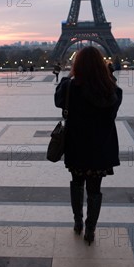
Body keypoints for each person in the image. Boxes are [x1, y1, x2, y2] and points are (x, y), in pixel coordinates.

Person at [55, 46, 123, 245]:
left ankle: (78, 222)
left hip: (77, 146)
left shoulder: (69, 87)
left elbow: (58, 100)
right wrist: (109, 76)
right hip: (100, 148)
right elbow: (114, 103)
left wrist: (69, 76)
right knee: (95, 189)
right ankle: (91, 229)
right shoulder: (111, 90)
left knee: (77, 183)